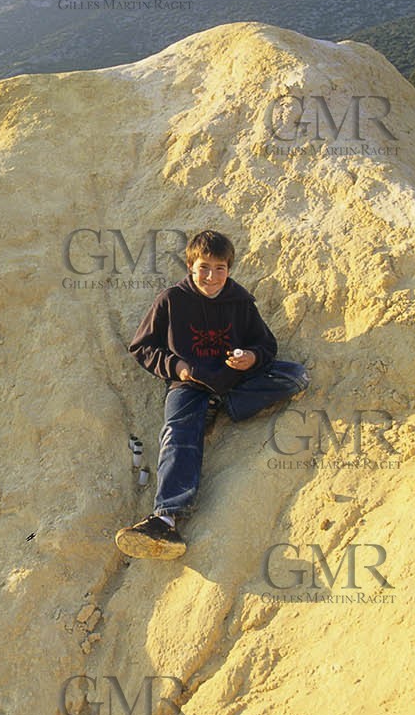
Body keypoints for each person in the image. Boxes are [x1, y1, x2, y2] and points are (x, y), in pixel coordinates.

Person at [118, 230, 309, 559]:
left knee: (295, 375)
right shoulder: (171, 300)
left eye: (220, 268)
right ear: (190, 266)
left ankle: (221, 405)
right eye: (204, 267)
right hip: (189, 383)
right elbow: (142, 347)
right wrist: (176, 367)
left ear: (229, 269)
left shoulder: (240, 301)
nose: (211, 276)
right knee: (178, 432)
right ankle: (165, 518)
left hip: (234, 380)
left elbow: (266, 345)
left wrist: (251, 357)